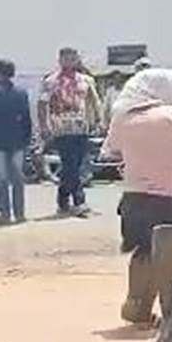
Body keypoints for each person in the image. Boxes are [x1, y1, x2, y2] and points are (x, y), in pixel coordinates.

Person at [102, 69, 172, 325]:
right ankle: (171, 308)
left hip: (133, 196)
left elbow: (112, 150)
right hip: (166, 196)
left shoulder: (123, 117)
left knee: (142, 252)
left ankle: (137, 304)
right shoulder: (171, 114)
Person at [38, 47, 102, 216]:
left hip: (82, 128)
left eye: (72, 58)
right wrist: (44, 126)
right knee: (71, 165)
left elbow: (94, 101)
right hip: (61, 129)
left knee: (75, 166)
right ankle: (80, 202)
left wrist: (98, 120)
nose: (69, 62)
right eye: (66, 58)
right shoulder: (51, 81)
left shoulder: (86, 80)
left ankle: (63, 200)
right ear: (60, 60)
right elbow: (42, 104)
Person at [0, 60, 31, 225]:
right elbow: (26, 119)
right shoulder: (21, 93)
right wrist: (27, 139)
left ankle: (5, 213)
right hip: (17, 141)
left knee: (1, 179)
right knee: (18, 179)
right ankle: (20, 214)